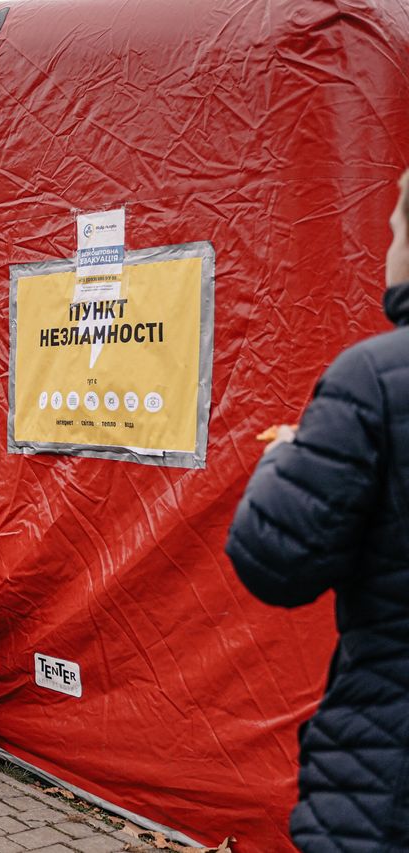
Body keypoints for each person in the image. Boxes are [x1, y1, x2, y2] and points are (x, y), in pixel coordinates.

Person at [225, 169, 409, 851]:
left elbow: (275, 558)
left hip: (385, 770)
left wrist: (287, 457)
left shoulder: (374, 379)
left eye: (393, 229)